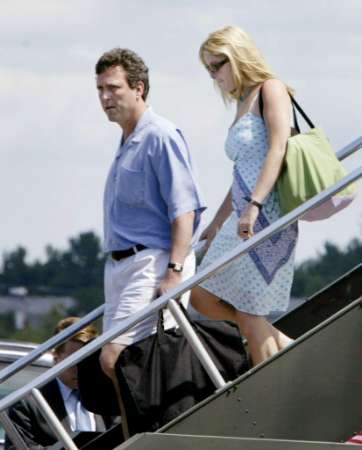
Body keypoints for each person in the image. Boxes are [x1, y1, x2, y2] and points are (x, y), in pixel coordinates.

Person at [95, 48, 206, 420]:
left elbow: (184, 208)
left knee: (119, 356)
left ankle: (154, 436)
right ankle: (140, 437)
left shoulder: (160, 135)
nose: (105, 98)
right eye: (100, 90)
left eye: (113, 88)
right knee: (115, 364)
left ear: (139, 88)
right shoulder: (128, 138)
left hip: (153, 260)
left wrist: (175, 270)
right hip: (120, 266)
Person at [191, 26, 298, 366]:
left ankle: (274, 386)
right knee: (201, 295)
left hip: (267, 213)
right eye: (208, 69)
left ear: (237, 56)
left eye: (217, 65)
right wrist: (219, 220)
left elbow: (278, 147)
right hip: (241, 217)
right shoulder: (242, 102)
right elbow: (240, 172)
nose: (214, 75)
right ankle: (289, 346)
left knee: (249, 312)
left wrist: (254, 206)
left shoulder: (271, 89)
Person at [5, 317, 115, 450]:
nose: (82, 368)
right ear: (56, 357)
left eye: (88, 359)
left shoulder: (108, 398)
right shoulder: (27, 404)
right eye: (75, 359)